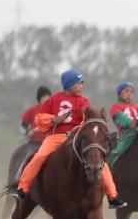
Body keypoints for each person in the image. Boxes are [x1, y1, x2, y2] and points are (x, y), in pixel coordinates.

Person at [11, 69, 126, 208]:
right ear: (69, 85)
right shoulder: (53, 100)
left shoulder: (84, 100)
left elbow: (88, 115)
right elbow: (40, 119)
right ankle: (23, 189)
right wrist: (54, 119)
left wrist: (97, 116)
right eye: (78, 83)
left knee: (100, 161)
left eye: (82, 83)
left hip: (75, 137)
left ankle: (113, 196)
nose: (81, 86)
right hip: (54, 137)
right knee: (39, 157)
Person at [14, 86, 52, 181]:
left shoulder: (54, 111)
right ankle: (18, 178)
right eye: (44, 98)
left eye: (48, 97)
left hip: (50, 143)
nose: (46, 100)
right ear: (39, 99)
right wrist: (28, 132)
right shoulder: (31, 111)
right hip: (35, 143)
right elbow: (22, 126)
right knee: (28, 159)